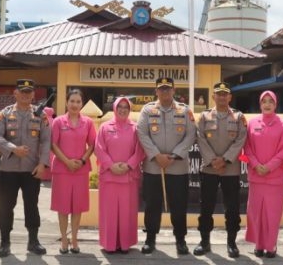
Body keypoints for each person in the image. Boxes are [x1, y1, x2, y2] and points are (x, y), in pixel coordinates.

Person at [136, 77, 196, 255]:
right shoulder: (147, 110)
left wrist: (174, 155)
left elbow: (191, 135)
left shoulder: (185, 111)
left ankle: (180, 239)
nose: (164, 92)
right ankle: (150, 238)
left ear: (174, 90)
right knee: (152, 205)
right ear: (156, 91)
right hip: (153, 167)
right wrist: (156, 155)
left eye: (167, 89)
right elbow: (141, 133)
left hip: (177, 167)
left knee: (179, 205)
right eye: (161, 89)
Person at [0, 79, 50, 258]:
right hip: (8, 169)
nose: (25, 95)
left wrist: (42, 164)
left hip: (31, 169)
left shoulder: (41, 115)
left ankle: (33, 241)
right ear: (15, 93)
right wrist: (13, 149)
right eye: (22, 91)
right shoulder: (5, 113)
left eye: (29, 92)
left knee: (31, 206)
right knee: (6, 206)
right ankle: (4, 242)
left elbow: (46, 140)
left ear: (33, 94)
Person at [194, 82, 247, 258]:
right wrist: (213, 160)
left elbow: (241, 140)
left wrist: (224, 160)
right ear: (213, 97)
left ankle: (231, 243)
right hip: (209, 169)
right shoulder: (204, 116)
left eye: (225, 94)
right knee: (206, 208)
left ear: (230, 97)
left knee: (232, 208)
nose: (222, 97)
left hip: (230, 170)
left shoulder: (239, 117)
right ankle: (204, 241)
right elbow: (200, 138)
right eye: (219, 94)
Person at [244, 90, 283, 258]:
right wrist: (257, 165)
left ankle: (271, 246)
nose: (267, 104)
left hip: (275, 178)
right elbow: (247, 148)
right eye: (264, 101)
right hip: (256, 177)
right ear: (260, 104)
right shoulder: (252, 123)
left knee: (272, 214)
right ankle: (259, 245)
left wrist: (269, 166)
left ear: (275, 104)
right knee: (256, 213)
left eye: (270, 101)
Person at [95, 97, 145, 254]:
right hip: (109, 177)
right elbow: (99, 148)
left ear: (129, 110)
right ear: (115, 108)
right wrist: (111, 165)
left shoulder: (136, 129)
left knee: (126, 212)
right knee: (109, 212)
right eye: (120, 106)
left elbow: (140, 150)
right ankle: (109, 244)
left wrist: (128, 165)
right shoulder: (104, 127)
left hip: (128, 177)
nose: (123, 109)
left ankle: (125, 244)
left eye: (126, 107)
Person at [50, 89, 96, 254]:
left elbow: (92, 144)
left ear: (81, 104)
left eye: (78, 101)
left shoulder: (88, 122)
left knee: (77, 207)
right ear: (67, 102)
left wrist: (82, 160)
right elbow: (53, 145)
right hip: (62, 169)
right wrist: (67, 161)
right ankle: (64, 239)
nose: (75, 104)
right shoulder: (58, 122)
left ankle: (74, 239)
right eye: (72, 101)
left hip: (80, 170)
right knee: (63, 207)